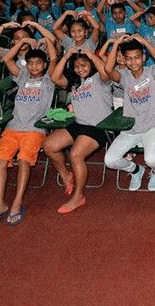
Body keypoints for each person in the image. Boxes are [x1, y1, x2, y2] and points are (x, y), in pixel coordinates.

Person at [0, 40, 57, 227]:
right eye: (31, 63)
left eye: (38, 63)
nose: (34, 66)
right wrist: (23, 42)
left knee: (24, 160)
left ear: (44, 65)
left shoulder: (48, 79)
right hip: (13, 127)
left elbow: (55, 57)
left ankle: (17, 202)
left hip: (34, 130)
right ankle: (0, 204)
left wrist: (47, 41)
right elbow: (8, 58)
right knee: (0, 160)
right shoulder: (22, 76)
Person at [45, 48, 112, 214]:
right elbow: (54, 77)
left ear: (91, 64)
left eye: (84, 65)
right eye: (76, 66)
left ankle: (79, 196)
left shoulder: (100, 79)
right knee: (49, 145)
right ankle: (66, 174)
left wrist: (92, 56)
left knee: (75, 155)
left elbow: (105, 71)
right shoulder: (74, 82)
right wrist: (66, 55)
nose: (80, 68)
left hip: (99, 126)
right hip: (79, 124)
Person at [104, 35, 155, 192]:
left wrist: (144, 41)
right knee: (109, 160)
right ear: (124, 60)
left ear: (144, 57)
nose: (133, 62)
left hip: (153, 126)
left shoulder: (152, 72)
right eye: (129, 59)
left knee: (152, 160)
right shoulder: (124, 77)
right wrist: (117, 43)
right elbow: (107, 69)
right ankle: (136, 170)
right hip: (131, 128)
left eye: (137, 57)